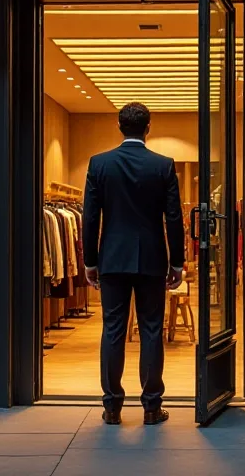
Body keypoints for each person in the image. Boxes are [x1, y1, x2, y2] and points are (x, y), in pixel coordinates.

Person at [82, 102, 185, 426]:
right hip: (152, 259)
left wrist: (89, 261)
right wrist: (178, 262)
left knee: (112, 330)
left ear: (119, 126)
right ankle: (152, 407)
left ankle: (112, 407)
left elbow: (89, 218)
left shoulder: (99, 164)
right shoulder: (163, 165)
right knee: (152, 331)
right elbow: (174, 218)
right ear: (148, 127)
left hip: (111, 257)